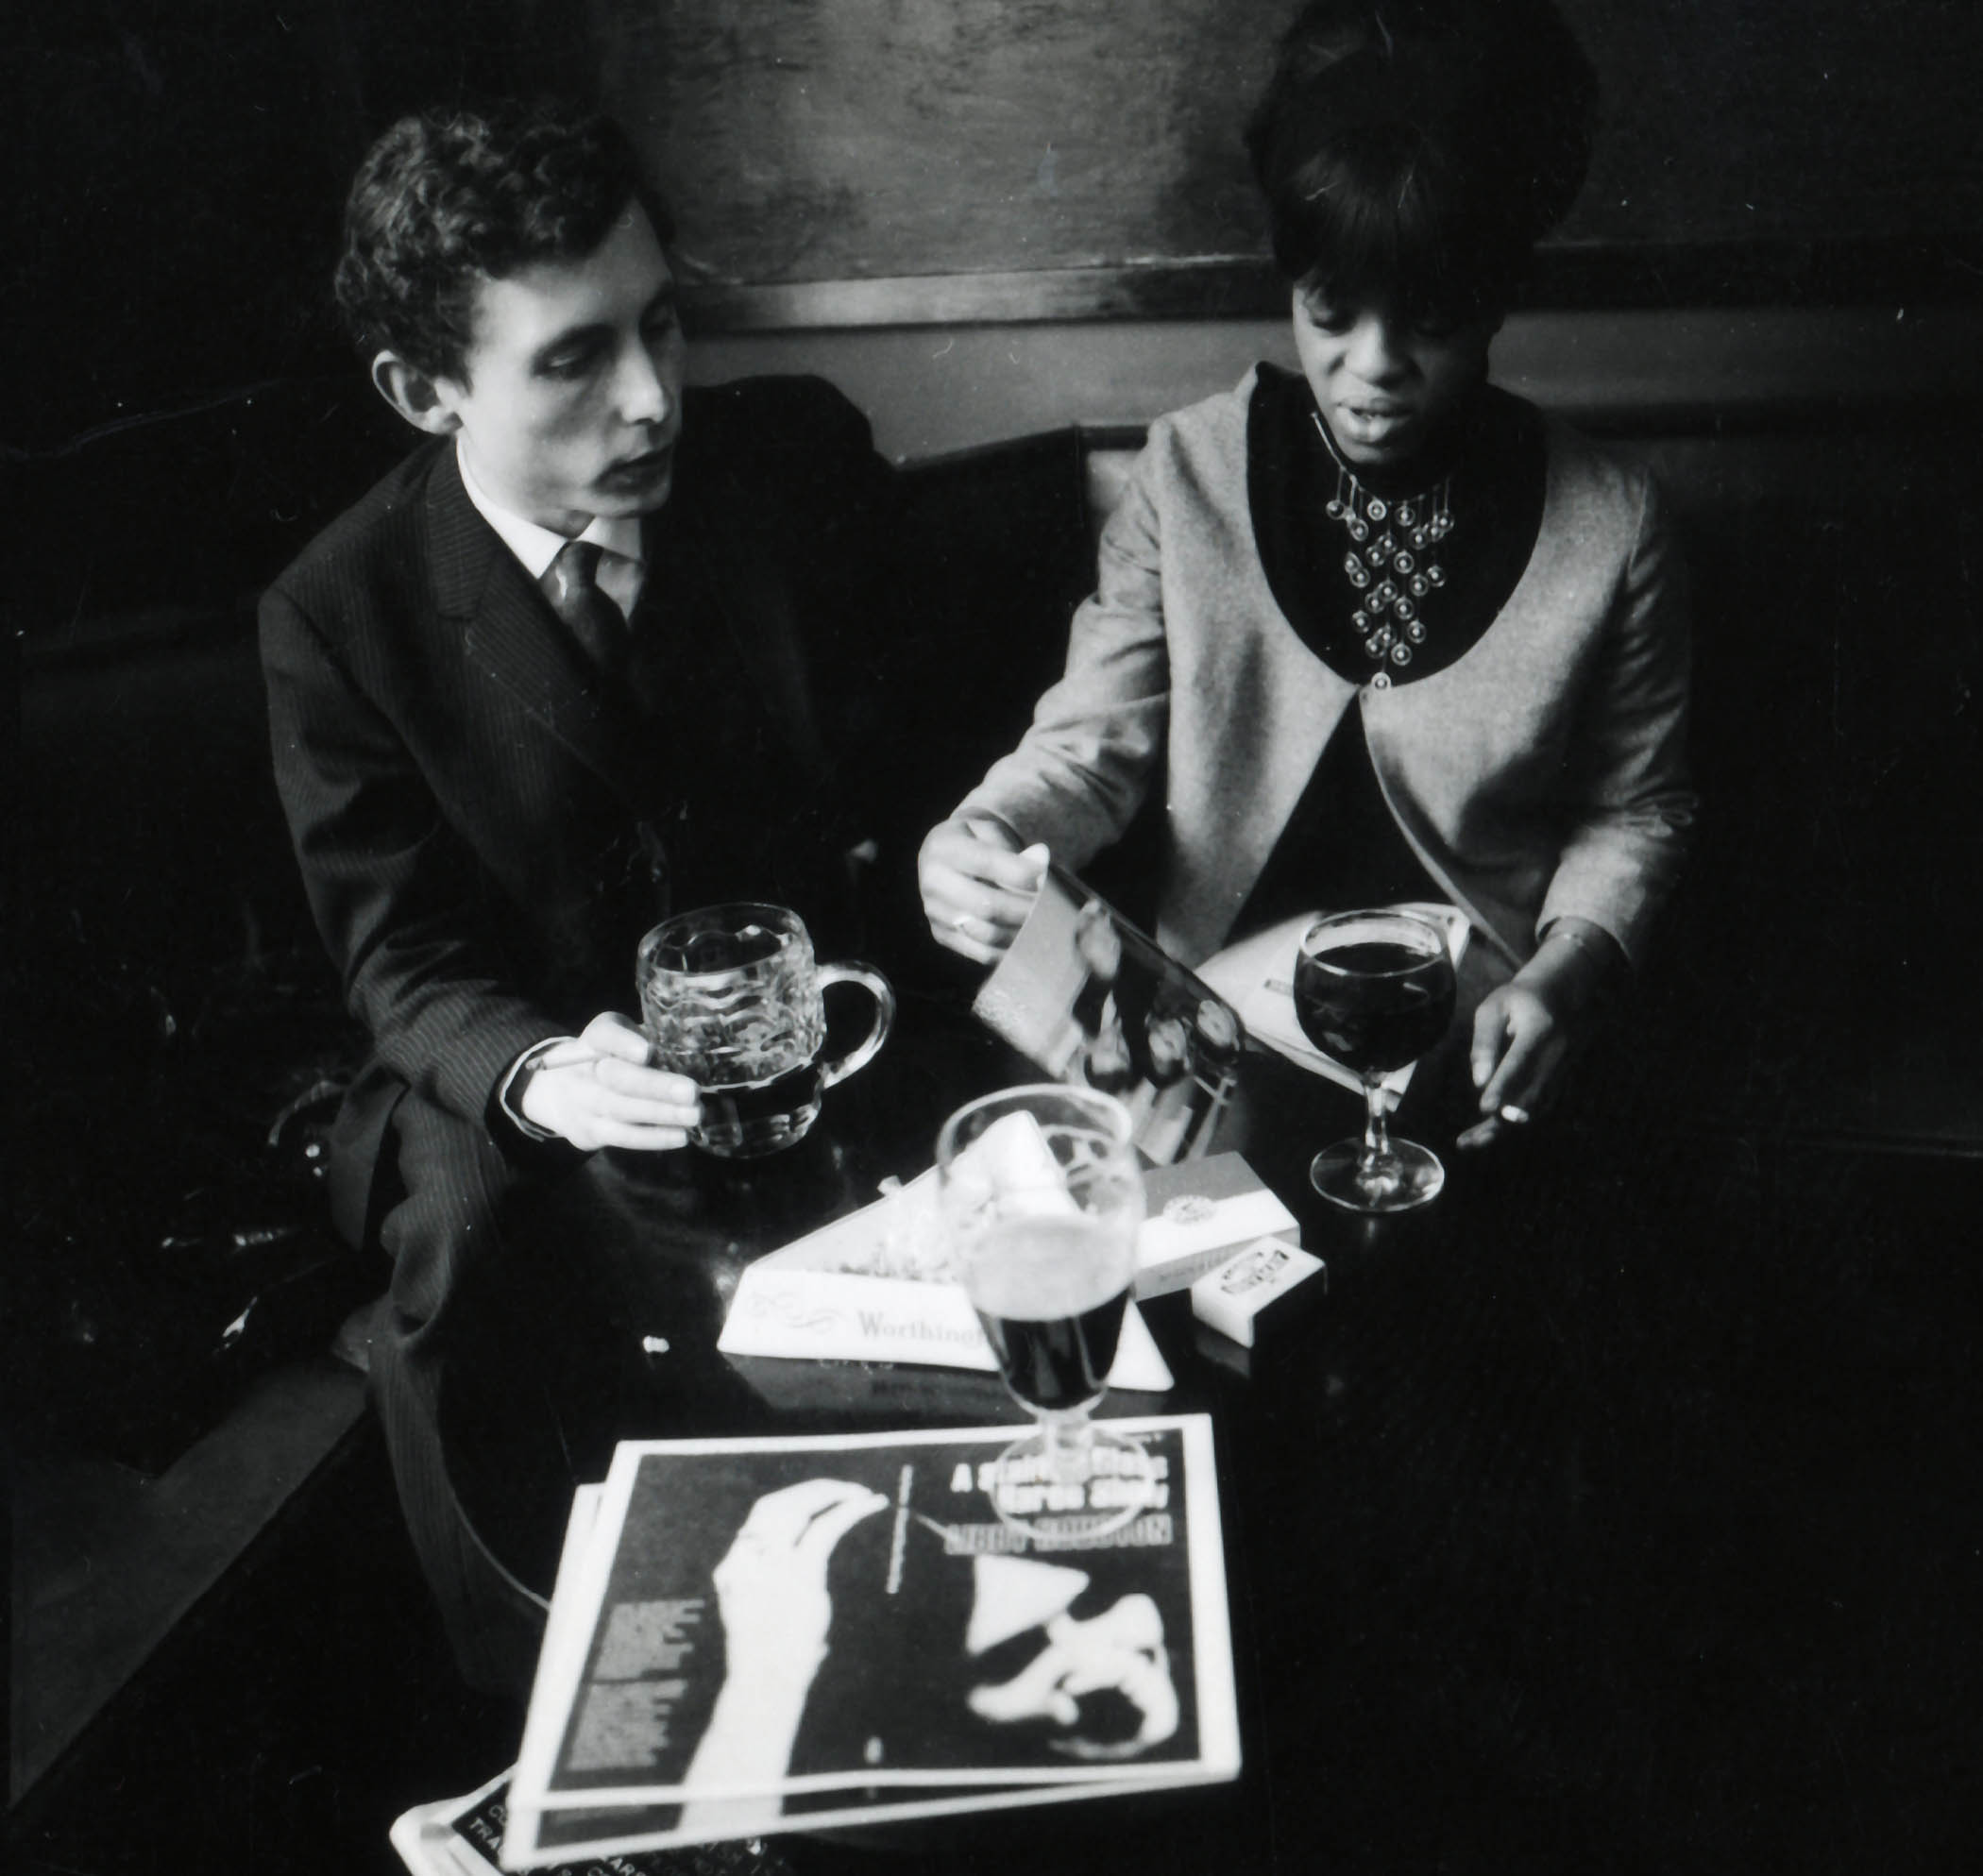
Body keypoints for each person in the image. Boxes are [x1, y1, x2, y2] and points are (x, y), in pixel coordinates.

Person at [261, 102, 903, 1691]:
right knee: (463, 1238)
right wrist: (551, 1074)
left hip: (801, 1019)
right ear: (425, 391)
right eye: (575, 357)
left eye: (664, 324)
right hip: (527, 1051)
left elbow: (911, 771)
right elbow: (399, 958)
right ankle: (538, 1712)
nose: (652, 396)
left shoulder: (795, 461)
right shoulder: (339, 613)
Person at [918, 0, 1695, 1147]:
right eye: (1332, 309)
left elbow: (1636, 810)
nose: (1373, 367)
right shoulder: (1189, 474)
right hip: (1210, 1050)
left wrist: (1566, 974)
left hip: (1462, 1039)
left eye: (1427, 318)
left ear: (1493, 303)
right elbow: (1087, 751)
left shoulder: (1613, 524)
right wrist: (978, 834)